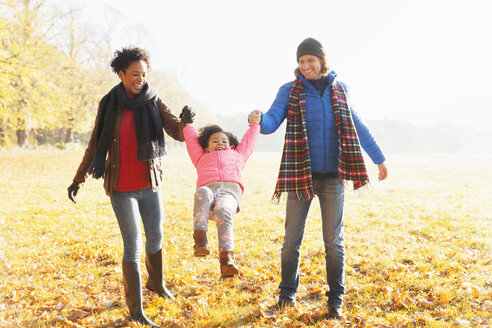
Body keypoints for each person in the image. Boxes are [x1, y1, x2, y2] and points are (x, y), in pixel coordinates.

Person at [249, 37, 388, 319]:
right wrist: (258, 119)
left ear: (322, 62)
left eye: (310, 60)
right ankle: (286, 296)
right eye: (301, 61)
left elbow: (357, 125)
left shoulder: (340, 89)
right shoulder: (289, 91)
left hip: (333, 177)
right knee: (291, 240)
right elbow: (273, 121)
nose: (306, 66)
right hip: (300, 175)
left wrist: (379, 158)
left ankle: (335, 300)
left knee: (333, 241)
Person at [67, 46, 194, 327]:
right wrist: (79, 178)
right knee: (132, 245)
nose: (140, 79)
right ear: (121, 74)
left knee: (156, 237)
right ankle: (135, 311)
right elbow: (94, 144)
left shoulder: (153, 99)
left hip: (150, 184)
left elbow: (175, 130)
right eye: (134, 74)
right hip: (122, 188)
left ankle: (156, 285)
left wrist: (185, 122)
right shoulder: (108, 103)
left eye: (144, 74)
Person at [183, 117, 260, 278]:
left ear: (230, 145)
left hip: (229, 195)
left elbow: (249, 142)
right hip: (208, 197)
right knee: (201, 192)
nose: (220, 143)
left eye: (224, 141)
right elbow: (191, 142)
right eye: (215, 141)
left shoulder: (238, 155)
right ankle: (200, 241)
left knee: (223, 210)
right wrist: (188, 125)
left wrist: (255, 125)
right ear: (206, 147)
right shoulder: (201, 157)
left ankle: (227, 261)